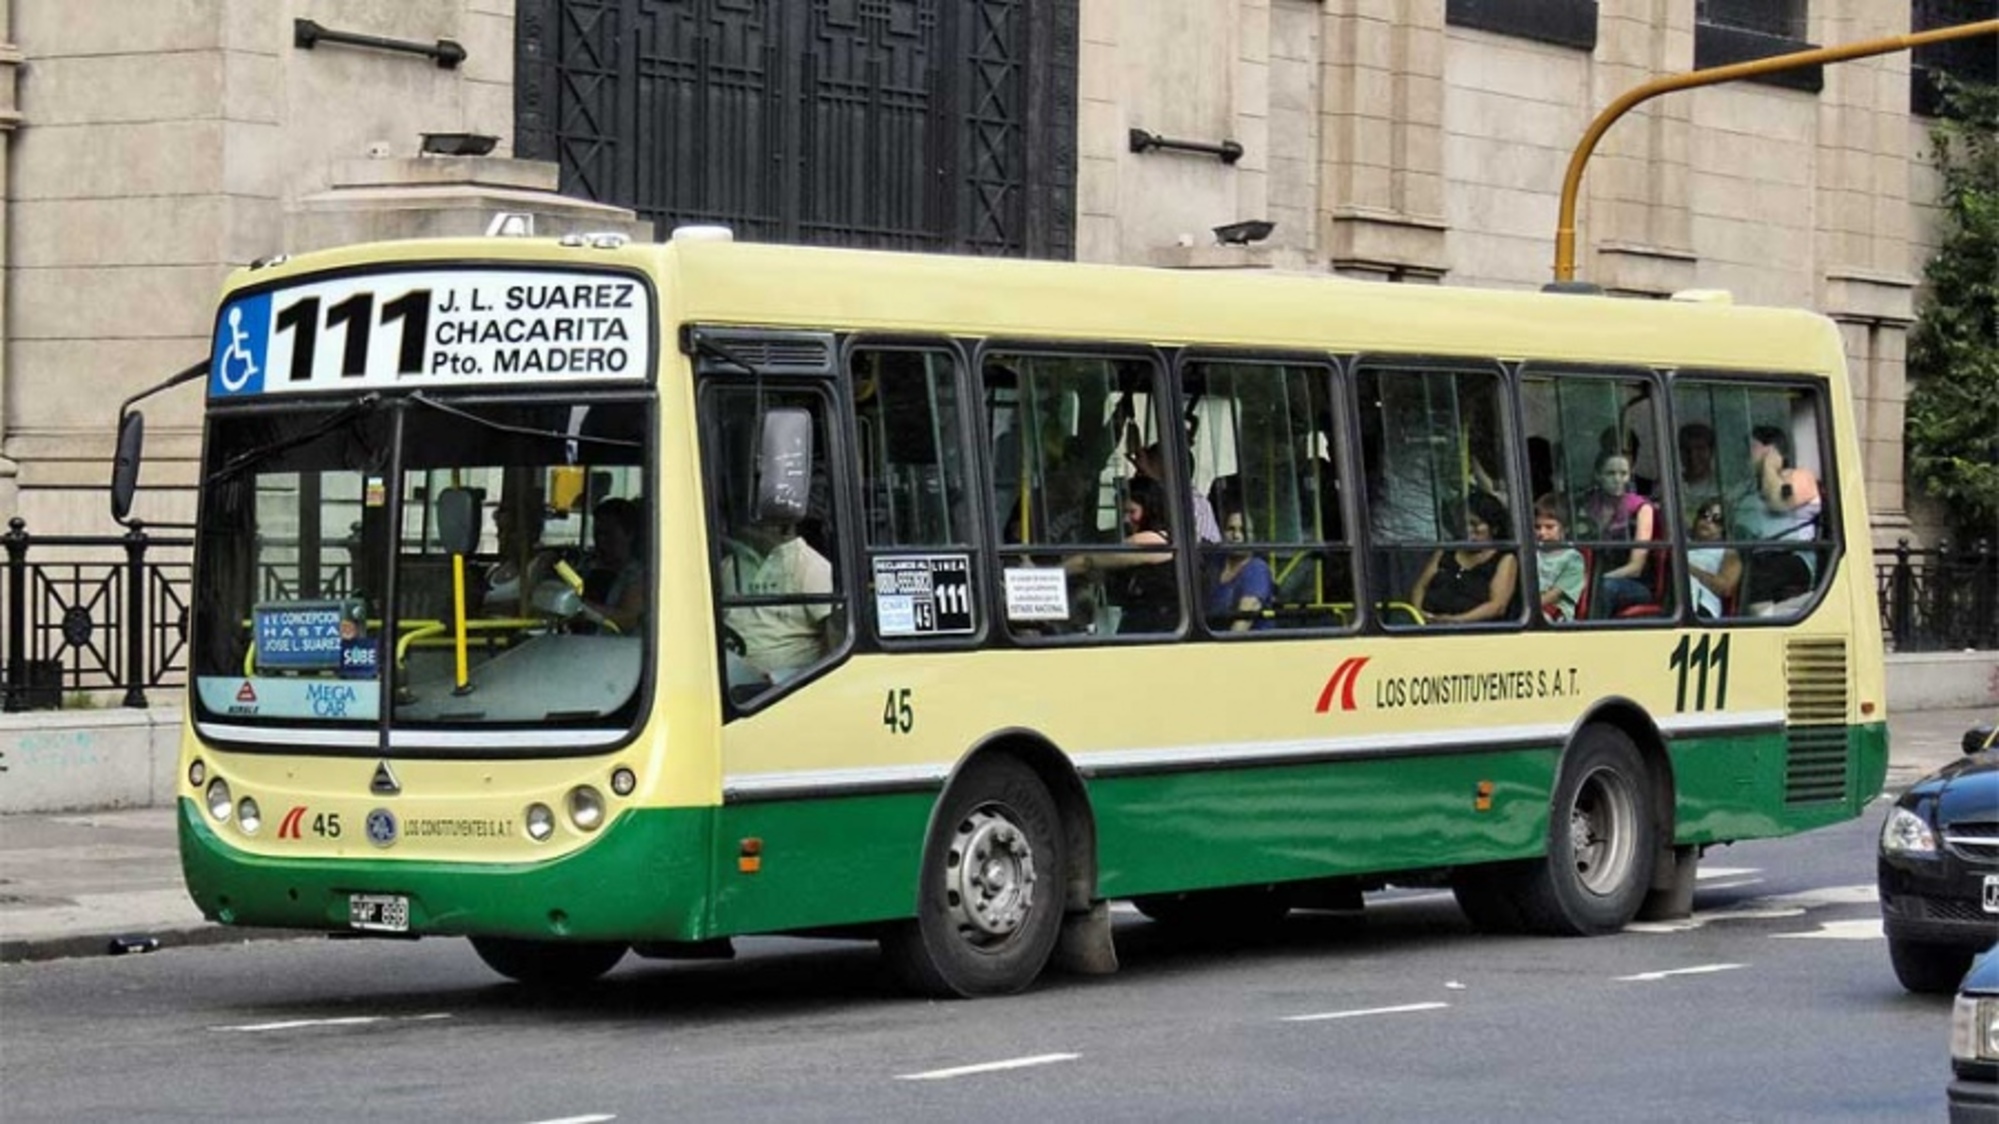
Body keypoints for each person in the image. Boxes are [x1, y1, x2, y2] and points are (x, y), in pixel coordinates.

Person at [722, 515, 836, 680]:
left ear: (784, 528)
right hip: (725, 678)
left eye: (757, 524)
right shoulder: (730, 565)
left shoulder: (812, 567)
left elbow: (836, 638)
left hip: (783, 688)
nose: (747, 528)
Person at [1064, 475, 1176, 632]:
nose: (1126, 519)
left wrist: (1054, 572)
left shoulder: (1154, 540)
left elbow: (1090, 560)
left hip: (1155, 626)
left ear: (1151, 509)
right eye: (1123, 512)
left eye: (1132, 512)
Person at [1731, 425, 1821, 611]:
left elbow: (1778, 502)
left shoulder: (1800, 477)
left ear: (1769, 449)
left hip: (1790, 557)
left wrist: (1769, 466)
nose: (1745, 455)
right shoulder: (1746, 488)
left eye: (1751, 448)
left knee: (1757, 578)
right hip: (1750, 554)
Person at [1408, 491, 1517, 624]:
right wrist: (1420, 616)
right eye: (1464, 523)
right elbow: (1420, 587)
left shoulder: (1505, 559)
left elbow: (1497, 606)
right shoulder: (1446, 551)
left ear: (1494, 528)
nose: (1468, 530)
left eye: (1475, 524)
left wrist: (1454, 621)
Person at [1581, 450, 1655, 617]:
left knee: (1605, 587)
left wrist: (1595, 581)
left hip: (1632, 582)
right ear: (1598, 475)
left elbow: (1636, 567)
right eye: (1610, 473)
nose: (1617, 479)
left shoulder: (1642, 508)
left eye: (1623, 474)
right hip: (1590, 577)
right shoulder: (1588, 504)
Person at [1129, 432, 1221, 543]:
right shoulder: (1159, 502)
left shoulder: (1192, 504)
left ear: (1168, 473)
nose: (1137, 478)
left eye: (1143, 472)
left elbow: (1192, 550)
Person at [480, 499, 554, 616]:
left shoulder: (540, 566)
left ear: (531, 533)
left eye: (510, 532)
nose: (501, 537)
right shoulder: (494, 570)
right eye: (500, 530)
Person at [582, 497, 646, 633]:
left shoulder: (638, 574)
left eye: (608, 534)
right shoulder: (585, 565)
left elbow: (628, 619)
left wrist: (580, 607)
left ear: (629, 534)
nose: (601, 540)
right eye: (597, 534)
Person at [1207, 507, 1275, 632]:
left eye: (1243, 531)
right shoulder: (1216, 564)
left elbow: (1243, 621)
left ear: (1253, 536)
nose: (1237, 536)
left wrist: (1220, 650)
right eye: (1231, 529)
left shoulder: (1256, 569)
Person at [1532, 494, 1586, 621]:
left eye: (1549, 527)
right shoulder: (1532, 552)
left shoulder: (1573, 559)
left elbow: (1554, 595)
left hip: (1556, 613)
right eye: (1537, 527)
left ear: (1565, 528)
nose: (1542, 533)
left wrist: (1525, 607)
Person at [1686, 497, 1742, 619]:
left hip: (1703, 608)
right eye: (1705, 515)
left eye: (1717, 519)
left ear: (1724, 527)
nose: (1708, 521)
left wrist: (1688, 569)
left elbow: (1726, 588)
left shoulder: (1728, 551)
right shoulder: (1681, 540)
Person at [1676, 422, 1719, 501]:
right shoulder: (1669, 488)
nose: (1693, 456)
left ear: (1711, 451)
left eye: (1700, 449)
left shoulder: (1722, 487)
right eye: (1687, 450)